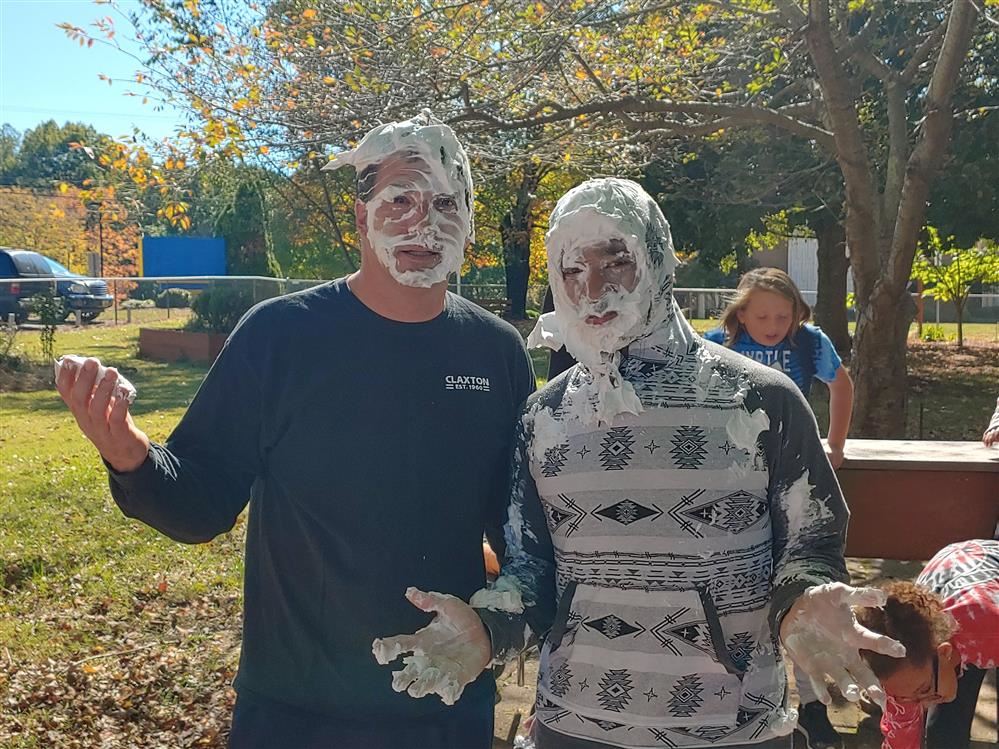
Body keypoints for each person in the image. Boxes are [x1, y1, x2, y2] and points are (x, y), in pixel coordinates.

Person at [54, 111, 535, 749]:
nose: (423, 222)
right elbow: (202, 503)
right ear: (361, 219)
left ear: (469, 222)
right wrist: (130, 456)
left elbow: (524, 538)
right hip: (295, 712)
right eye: (400, 200)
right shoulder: (280, 336)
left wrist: (495, 632)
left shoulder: (496, 353)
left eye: (445, 203)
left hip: (443, 702)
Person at [373, 178, 904, 749]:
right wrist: (491, 627)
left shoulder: (759, 400)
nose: (592, 288)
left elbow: (811, 544)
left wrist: (803, 599)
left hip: (731, 730)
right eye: (572, 270)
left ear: (656, 258)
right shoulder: (543, 417)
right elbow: (531, 573)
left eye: (615, 260)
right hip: (573, 726)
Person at [854, 539, 999, 749]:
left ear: (945, 653)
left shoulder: (990, 626)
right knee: (943, 733)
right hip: (953, 582)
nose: (921, 703)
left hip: (987, 607)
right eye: (903, 697)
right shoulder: (901, 674)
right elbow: (902, 738)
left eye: (924, 690)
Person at [704, 268, 853, 471]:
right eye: (762, 317)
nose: (772, 327)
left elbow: (842, 387)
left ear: (796, 313)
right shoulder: (716, 344)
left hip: (792, 453)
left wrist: (836, 445)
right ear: (741, 314)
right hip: (730, 454)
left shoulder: (810, 341)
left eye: (783, 317)